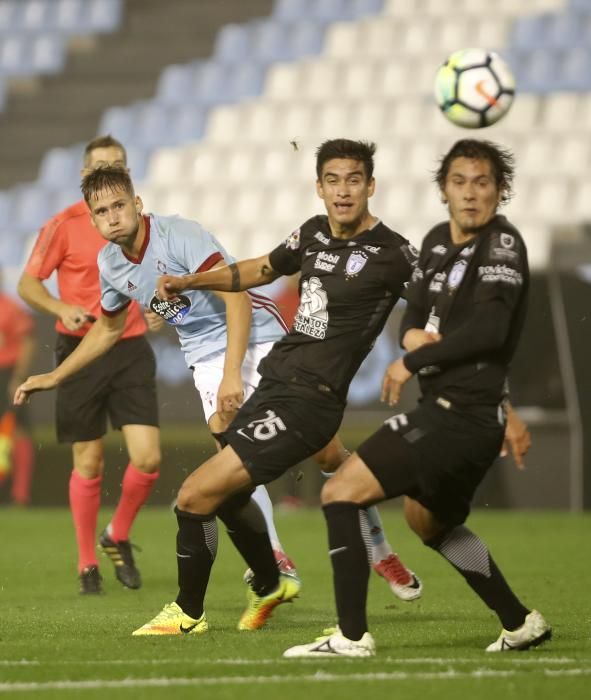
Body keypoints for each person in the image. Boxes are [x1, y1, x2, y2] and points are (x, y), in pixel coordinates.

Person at [127, 137, 423, 636]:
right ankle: (272, 571)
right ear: (319, 187)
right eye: (333, 181)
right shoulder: (310, 234)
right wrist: (190, 283)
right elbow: (258, 269)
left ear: (371, 185)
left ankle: (356, 557)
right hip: (278, 380)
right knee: (234, 464)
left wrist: (415, 359)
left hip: (313, 393)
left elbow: (433, 305)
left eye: (354, 180)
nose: (343, 191)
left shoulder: (393, 253)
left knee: (220, 486)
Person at [283, 139, 551, 658]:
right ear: (443, 190)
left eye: (482, 183)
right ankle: (520, 622)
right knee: (428, 520)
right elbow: (412, 317)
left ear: (500, 191)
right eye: (459, 182)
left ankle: (352, 637)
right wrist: (409, 340)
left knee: (340, 492)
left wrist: (413, 360)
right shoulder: (433, 242)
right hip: (463, 415)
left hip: (460, 417)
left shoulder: (503, 247)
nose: (471, 194)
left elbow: (492, 330)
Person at [17, 136, 162, 595]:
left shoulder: (144, 224)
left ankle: (116, 533)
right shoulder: (63, 225)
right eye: (101, 166)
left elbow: (159, 282)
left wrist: (163, 309)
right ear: (85, 176)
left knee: (149, 457)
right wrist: (61, 309)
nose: (110, 172)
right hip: (80, 348)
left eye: (118, 165)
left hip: (130, 345)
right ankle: (86, 563)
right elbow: (27, 283)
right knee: (90, 459)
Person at [0, 277, 36, 506]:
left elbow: (28, 342)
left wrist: (18, 377)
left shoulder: (10, 307)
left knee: (18, 431)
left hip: (7, 374)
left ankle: (20, 495)